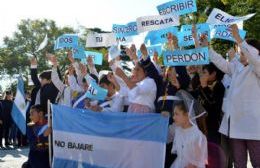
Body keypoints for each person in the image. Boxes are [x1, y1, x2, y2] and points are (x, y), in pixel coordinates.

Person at [201, 24, 260, 168]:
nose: (241, 53)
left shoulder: (257, 68)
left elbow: (253, 58)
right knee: (239, 164)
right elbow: (221, 62)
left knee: (257, 162)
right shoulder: (237, 68)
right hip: (235, 127)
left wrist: (239, 39)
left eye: (244, 51)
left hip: (253, 127)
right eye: (241, 51)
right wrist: (208, 48)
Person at [168, 90, 208, 168]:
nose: (173, 117)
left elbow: (197, 161)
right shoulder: (178, 130)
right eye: (173, 114)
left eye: (177, 114)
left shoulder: (196, 135)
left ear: (187, 115)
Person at [198, 63, 225, 144]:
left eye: (204, 72)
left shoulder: (219, 87)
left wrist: (205, 87)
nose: (202, 75)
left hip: (213, 126)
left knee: (213, 151)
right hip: (201, 125)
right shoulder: (202, 86)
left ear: (213, 74)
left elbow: (213, 104)